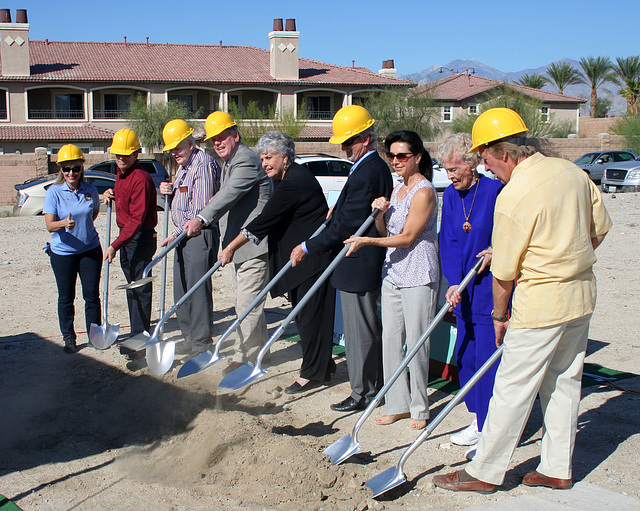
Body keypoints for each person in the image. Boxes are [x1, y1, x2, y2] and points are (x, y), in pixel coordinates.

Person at [433, 108, 612, 493]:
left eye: (486, 158)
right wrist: (569, 256)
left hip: (541, 304)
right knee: (564, 382)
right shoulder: (572, 173)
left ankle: (483, 472)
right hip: (579, 296)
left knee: (512, 388)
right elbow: (599, 230)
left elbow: (503, 273)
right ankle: (556, 467)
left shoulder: (515, 194)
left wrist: (499, 315)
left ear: (505, 152)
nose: (487, 167)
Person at [291, 105, 393, 412]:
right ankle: (367, 387)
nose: (343, 148)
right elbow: (347, 212)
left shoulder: (370, 170)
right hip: (354, 262)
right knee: (361, 329)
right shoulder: (365, 168)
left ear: (364, 138)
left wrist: (309, 246)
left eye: (347, 142)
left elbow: (348, 224)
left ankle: (364, 392)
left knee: (360, 332)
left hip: (357, 262)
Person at [219, 131, 336, 393]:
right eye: (262, 159)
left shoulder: (295, 181)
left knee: (308, 318)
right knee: (306, 317)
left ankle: (312, 373)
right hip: (300, 260)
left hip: (311, 259)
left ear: (285, 157)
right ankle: (323, 366)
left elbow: (263, 221)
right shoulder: (288, 179)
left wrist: (231, 248)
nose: (265, 164)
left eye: (269, 158)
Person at [344, 130, 438, 429]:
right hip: (394, 272)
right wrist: (379, 214)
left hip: (418, 274)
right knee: (390, 342)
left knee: (417, 343)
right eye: (391, 156)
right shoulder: (397, 190)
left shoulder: (424, 192)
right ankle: (396, 403)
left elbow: (408, 238)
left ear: (417, 157)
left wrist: (365, 241)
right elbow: (387, 233)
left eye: (402, 156)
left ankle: (420, 408)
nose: (395, 161)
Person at [183, 111, 270, 371]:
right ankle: (260, 350)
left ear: (235, 135)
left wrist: (201, 218)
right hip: (240, 247)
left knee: (246, 304)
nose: (217, 143)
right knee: (248, 302)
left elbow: (228, 195)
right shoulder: (230, 162)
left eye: (222, 137)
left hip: (253, 246)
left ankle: (246, 357)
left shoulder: (245, 161)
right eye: (213, 140)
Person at [438, 133, 504, 453]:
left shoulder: (495, 191)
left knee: (485, 359)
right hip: (461, 289)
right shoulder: (450, 196)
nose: (451, 175)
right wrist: (452, 281)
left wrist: (497, 251)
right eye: (446, 169)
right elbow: (448, 241)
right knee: (464, 357)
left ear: (472, 162)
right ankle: (477, 417)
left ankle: (489, 425)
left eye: (454, 168)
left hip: (489, 289)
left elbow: (509, 234)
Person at [160, 119, 221, 353]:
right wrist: (169, 191)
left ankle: (201, 342)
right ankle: (189, 338)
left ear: (190, 142)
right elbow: (184, 201)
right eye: (171, 149)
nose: (175, 152)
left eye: (178, 147)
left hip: (198, 235)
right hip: (182, 236)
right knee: (182, 290)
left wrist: (173, 234)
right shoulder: (185, 167)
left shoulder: (202, 164)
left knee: (197, 290)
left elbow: (199, 212)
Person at [103, 128, 158, 357]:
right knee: (131, 289)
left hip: (140, 238)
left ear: (137, 154)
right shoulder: (120, 174)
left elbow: (136, 219)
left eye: (126, 155)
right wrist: (110, 193)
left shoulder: (141, 179)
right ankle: (136, 335)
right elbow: (124, 203)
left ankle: (140, 343)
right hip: (127, 237)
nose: (121, 158)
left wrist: (115, 244)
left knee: (140, 289)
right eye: (118, 154)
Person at [43, 144, 101, 353]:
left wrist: (82, 228)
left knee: (91, 296)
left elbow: (93, 214)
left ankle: (95, 335)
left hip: (90, 250)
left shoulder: (90, 190)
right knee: (66, 297)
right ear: (61, 170)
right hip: (63, 253)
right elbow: (49, 225)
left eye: (75, 168)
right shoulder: (54, 192)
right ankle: (69, 337)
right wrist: (63, 224)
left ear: (81, 169)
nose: (71, 173)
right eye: (66, 169)